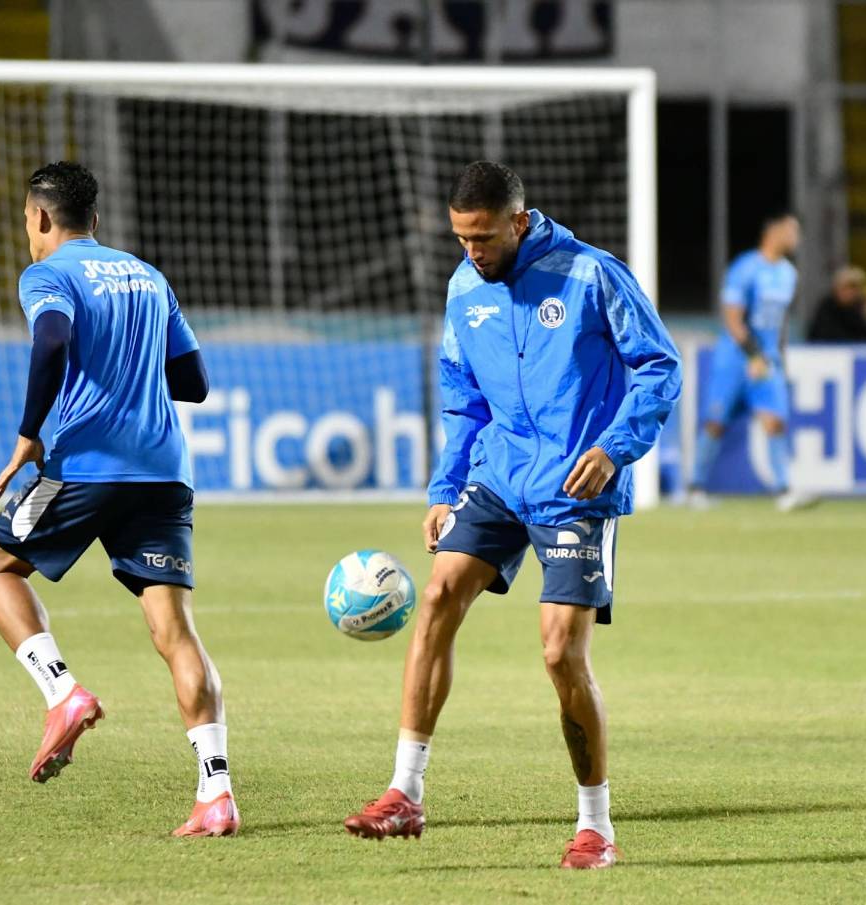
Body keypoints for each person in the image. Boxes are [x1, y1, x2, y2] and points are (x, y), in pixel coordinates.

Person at [342, 161, 681, 869]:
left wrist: (614, 448)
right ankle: (404, 792)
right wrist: (445, 488)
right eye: (462, 239)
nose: (473, 251)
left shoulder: (592, 275)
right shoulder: (465, 290)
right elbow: (462, 398)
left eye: (485, 237)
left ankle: (596, 825)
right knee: (437, 595)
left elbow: (660, 367)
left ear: (519, 222)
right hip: (499, 476)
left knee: (560, 652)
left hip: (575, 485)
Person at [0, 161, 239, 837]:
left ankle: (62, 692)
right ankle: (216, 792)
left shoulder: (46, 275)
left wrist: (29, 434)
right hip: (164, 473)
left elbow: (52, 338)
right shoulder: (148, 277)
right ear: (94, 219)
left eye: (26, 220)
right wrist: (131, 378)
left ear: (40, 217)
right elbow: (195, 382)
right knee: (174, 632)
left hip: (82, 470)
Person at [688, 212, 814, 511]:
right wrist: (752, 354)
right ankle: (695, 487)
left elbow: (780, 323)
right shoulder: (745, 268)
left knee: (775, 421)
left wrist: (778, 360)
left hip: (767, 359)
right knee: (715, 423)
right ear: (773, 231)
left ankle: (784, 491)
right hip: (734, 358)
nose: (795, 238)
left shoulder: (789, 274)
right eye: (791, 231)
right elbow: (732, 318)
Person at [807, 266, 866, 342]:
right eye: (847, 287)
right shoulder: (827, 307)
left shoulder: (862, 307)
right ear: (837, 288)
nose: (851, 292)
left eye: (855, 288)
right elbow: (822, 336)